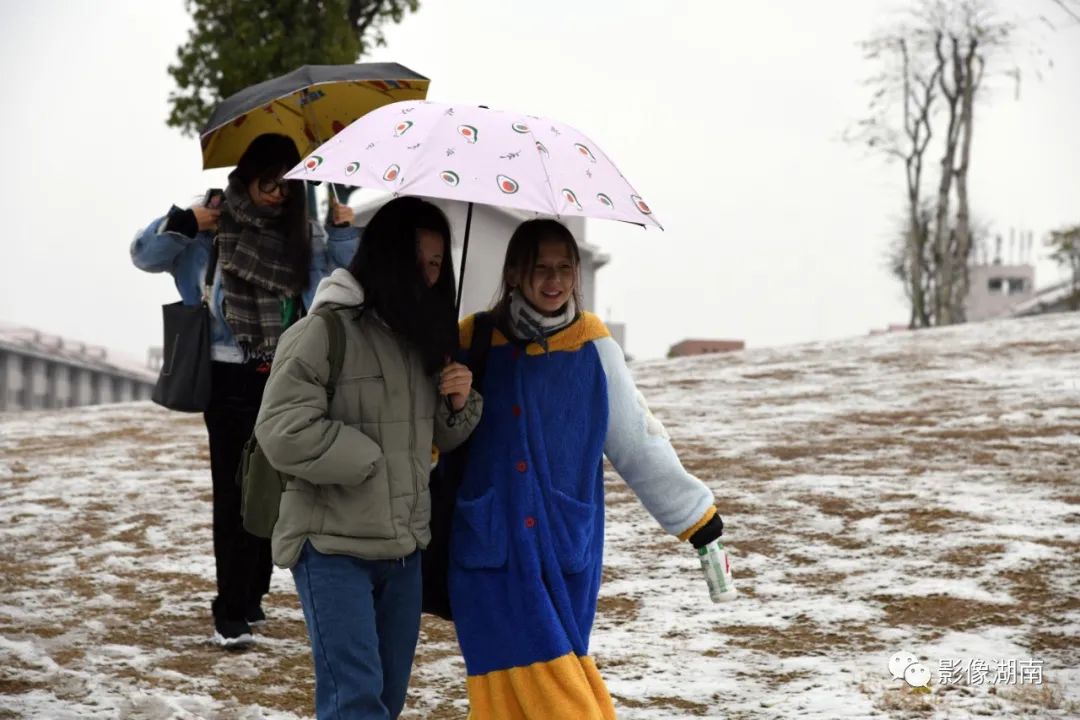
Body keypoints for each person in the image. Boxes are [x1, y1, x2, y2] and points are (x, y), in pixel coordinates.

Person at [448, 219, 724, 720]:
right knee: (524, 688)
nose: (553, 281)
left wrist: (695, 518)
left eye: (564, 268)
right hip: (488, 548)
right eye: (540, 268)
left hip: (564, 548)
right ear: (514, 273)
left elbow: (637, 438)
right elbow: (432, 433)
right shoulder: (474, 339)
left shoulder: (592, 344)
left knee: (550, 679)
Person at [253, 196, 483, 720]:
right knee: (355, 702)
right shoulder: (323, 330)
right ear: (385, 256)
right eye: (417, 261)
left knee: (387, 700)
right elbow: (281, 430)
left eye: (436, 264)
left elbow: (439, 439)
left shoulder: (423, 340)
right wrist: (368, 458)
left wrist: (458, 401)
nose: (427, 276)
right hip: (332, 546)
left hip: (403, 551)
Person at [130, 133, 359, 649]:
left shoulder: (306, 235)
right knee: (233, 492)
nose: (277, 194)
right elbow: (144, 256)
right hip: (228, 375)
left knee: (271, 488)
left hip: (287, 376)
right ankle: (230, 608)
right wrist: (185, 222)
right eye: (268, 182)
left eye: (287, 186)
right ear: (248, 175)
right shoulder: (212, 224)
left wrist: (344, 233)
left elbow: (343, 285)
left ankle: (252, 593)